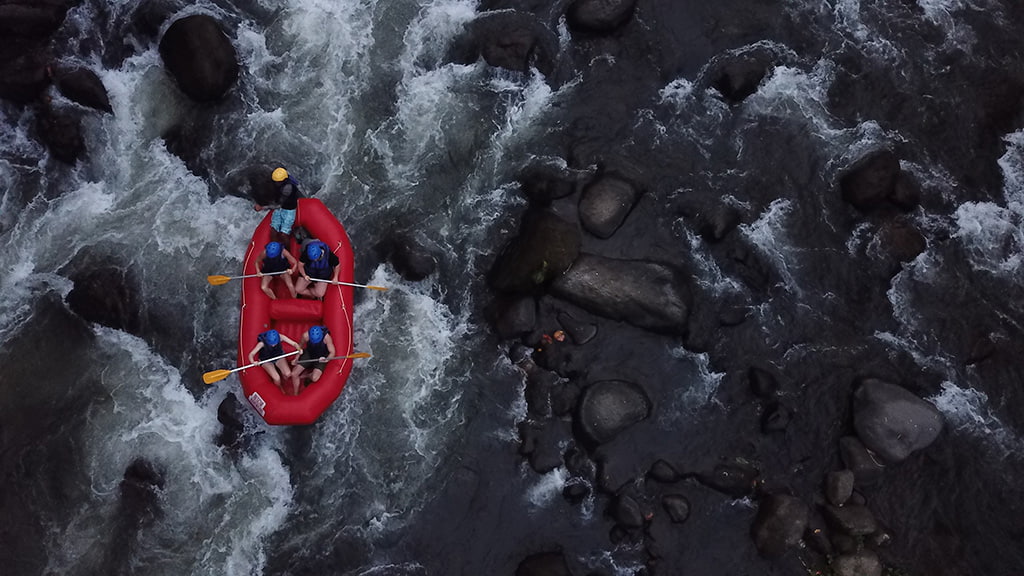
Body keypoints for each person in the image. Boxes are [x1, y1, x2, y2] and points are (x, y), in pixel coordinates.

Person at [254, 167, 302, 245]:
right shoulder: (279, 183)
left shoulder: (287, 189)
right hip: (280, 208)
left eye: (278, 182)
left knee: (283, 235)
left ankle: (286, 249)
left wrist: (263, 207)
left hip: (289, 210)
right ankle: (275, 247)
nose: (276, 183)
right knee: (273, 232)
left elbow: (279, 205)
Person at [247, 329, 301, 394]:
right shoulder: (261, 343)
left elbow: (294, 343)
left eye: (275, 343)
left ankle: (283, 376)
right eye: (271, 344)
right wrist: (253, 362)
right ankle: (280, 387)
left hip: (278, 356)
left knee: (288, 374)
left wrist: (299, 348)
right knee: (277, 379)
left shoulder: (281, 337)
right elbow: (251, 354)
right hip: (266, 360)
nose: (273, 345)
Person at [289, 325, 336, 395]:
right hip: (310, 354)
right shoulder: (305, 336)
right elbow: (300, 347)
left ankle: (307, 375)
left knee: (315, 378)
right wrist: (296, 358)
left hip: (321, 357)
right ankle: (296, 393)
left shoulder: (326, 338)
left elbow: (332, 352)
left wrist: (326, 359)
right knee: (294, 374)